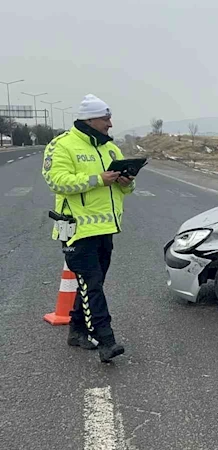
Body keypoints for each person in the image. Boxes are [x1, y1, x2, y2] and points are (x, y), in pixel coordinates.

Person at [41, 94, 136, 363]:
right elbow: (56, 181)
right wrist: (98, 179)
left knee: (93, 284)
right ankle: (106, 340)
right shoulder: (62, 145)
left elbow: (127, 190)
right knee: (92, 284)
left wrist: (126, 181)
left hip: (105, 228)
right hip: (76, 230)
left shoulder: (110, 149)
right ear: (90, 120)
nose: (110, 124)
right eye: (106, 119)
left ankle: (77, 330)